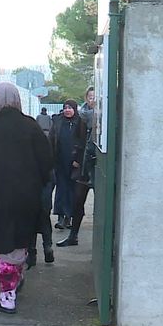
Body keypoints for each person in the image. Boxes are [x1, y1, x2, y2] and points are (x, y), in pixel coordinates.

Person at [0, 82, 53, 314]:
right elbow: (47, 162)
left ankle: (7, 297)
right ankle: (17, 277)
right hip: (27, 197)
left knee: (2, 244)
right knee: (21, 239)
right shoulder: (31, 126)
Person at [56, 87, 96, 247]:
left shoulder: (102, 116)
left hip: (98, 164)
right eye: (89, 96)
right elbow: (78, 140)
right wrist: (77, 158)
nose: (92, 99)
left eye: (94, 96)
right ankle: (73, 235)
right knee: (78, 200)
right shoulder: (83, 117)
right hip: (84, 165)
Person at [48, 99, 86, 238]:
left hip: (74, 163)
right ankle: (60, 217)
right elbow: (51, 139)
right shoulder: (58, 122)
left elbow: (82, 142)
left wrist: (78, 160)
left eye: (70, 108)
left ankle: (69, 216)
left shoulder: (80, 122)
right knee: (61, 188)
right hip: (60, 161)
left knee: (72, 190)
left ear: (75, 109)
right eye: (65, 108)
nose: (67, 110)